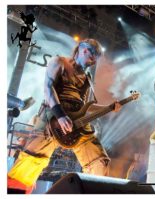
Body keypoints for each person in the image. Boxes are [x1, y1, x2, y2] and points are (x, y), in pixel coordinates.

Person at [8, 38, 122, 194]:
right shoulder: (59, 62)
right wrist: (60, 115)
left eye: (94, 61)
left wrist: (109, 108)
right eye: (90, 58)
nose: (92, 63)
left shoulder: (87, 79)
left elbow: (85, 106)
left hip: (77, 121)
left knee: (99, 162)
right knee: (31, 160)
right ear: (83, 50)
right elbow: (48, 88)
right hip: (52, 117)